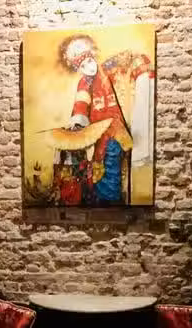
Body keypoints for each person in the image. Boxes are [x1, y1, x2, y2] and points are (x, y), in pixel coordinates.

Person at [59, 34, 154, 205]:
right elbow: (80, 106)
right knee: (98, 167)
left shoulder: (107, 68)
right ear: (79, 69)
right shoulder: (84, 83)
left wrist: (137, 63)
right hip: (98, 133)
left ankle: (110, 201)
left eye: (89, 61)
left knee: (111, 161)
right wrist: (78, 125)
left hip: (116, 129)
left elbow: (131, 59)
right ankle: (105, 202)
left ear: (93, 57)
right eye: (83, 66)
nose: (89, 67)